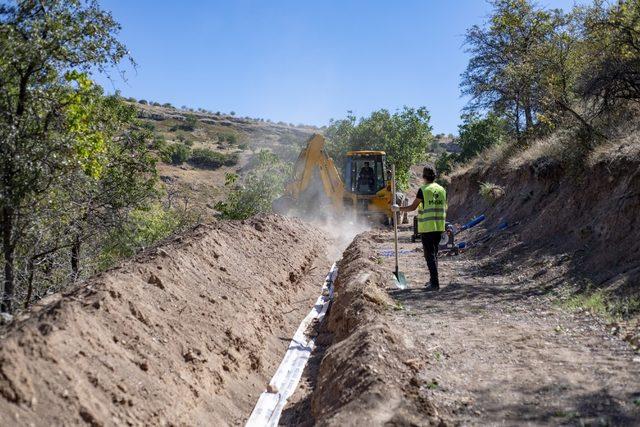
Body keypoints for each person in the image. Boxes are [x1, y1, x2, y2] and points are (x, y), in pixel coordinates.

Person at [393, 164, 447, 291]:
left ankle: (435, 283)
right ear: (435, 176)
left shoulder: (423, 190)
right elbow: (444, 207)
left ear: (423, 176)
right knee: (434, 254)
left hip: (428, 227)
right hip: (439, 226)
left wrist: (398, 209)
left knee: (429, 255)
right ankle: (432, 280)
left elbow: (412, 207)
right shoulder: (442, 190)